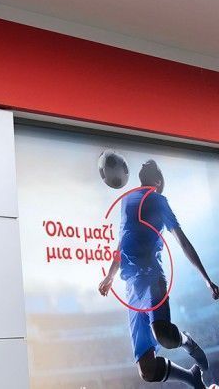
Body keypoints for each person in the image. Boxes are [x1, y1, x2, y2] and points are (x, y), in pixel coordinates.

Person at [99, 160, 219, 388]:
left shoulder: (158, 201)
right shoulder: (128, 200)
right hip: (132, 289)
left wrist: (206, 279)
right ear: (157, 181)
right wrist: (111, 275)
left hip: (152, 277)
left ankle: (188, 342)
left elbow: (182, 241)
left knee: (163, 335)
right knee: (147, 370)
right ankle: (191, 377)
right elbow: (123, 241)